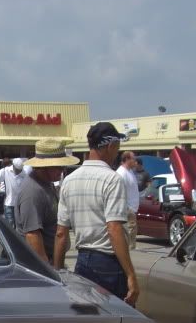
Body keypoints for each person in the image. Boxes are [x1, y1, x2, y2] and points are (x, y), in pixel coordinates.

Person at [53, 122, 138, 305]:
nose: (117, 152)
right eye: (117, 147)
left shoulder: (69, 180)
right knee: (117, 319)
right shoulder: (112, 179)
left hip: (83, 261)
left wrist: (58, 270)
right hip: (107, 263)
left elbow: (61, 233)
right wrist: (130, 275)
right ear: (109, 146)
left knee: (89, 318)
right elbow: (114, 228)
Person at [16, 139, 78, 264]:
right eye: (59, 166)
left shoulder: (46, 184)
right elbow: (32, 235)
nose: (62, 170)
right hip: (41, 264)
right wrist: (48, 270)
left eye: (63, 166)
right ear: (44, 167)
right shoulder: (32, 191)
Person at [0, 156, 31, 228]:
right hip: (9, 203)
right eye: (17, 170)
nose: (19, 172)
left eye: (20, 170)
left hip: (21, 204)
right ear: (13, 166)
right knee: (10, 225)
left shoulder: (25, 173)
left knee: (20, 225)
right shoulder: (5, 171)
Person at [116, 150, 141, 249]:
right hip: (127, 209)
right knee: (128, 235)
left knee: (132, 236)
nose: (135, 160)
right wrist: (127, 208)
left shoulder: (130, 172)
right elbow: (118, 192)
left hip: (132, 209)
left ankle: (129, 251)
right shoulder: (121, 173)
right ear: (126, 159)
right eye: (133, 158)